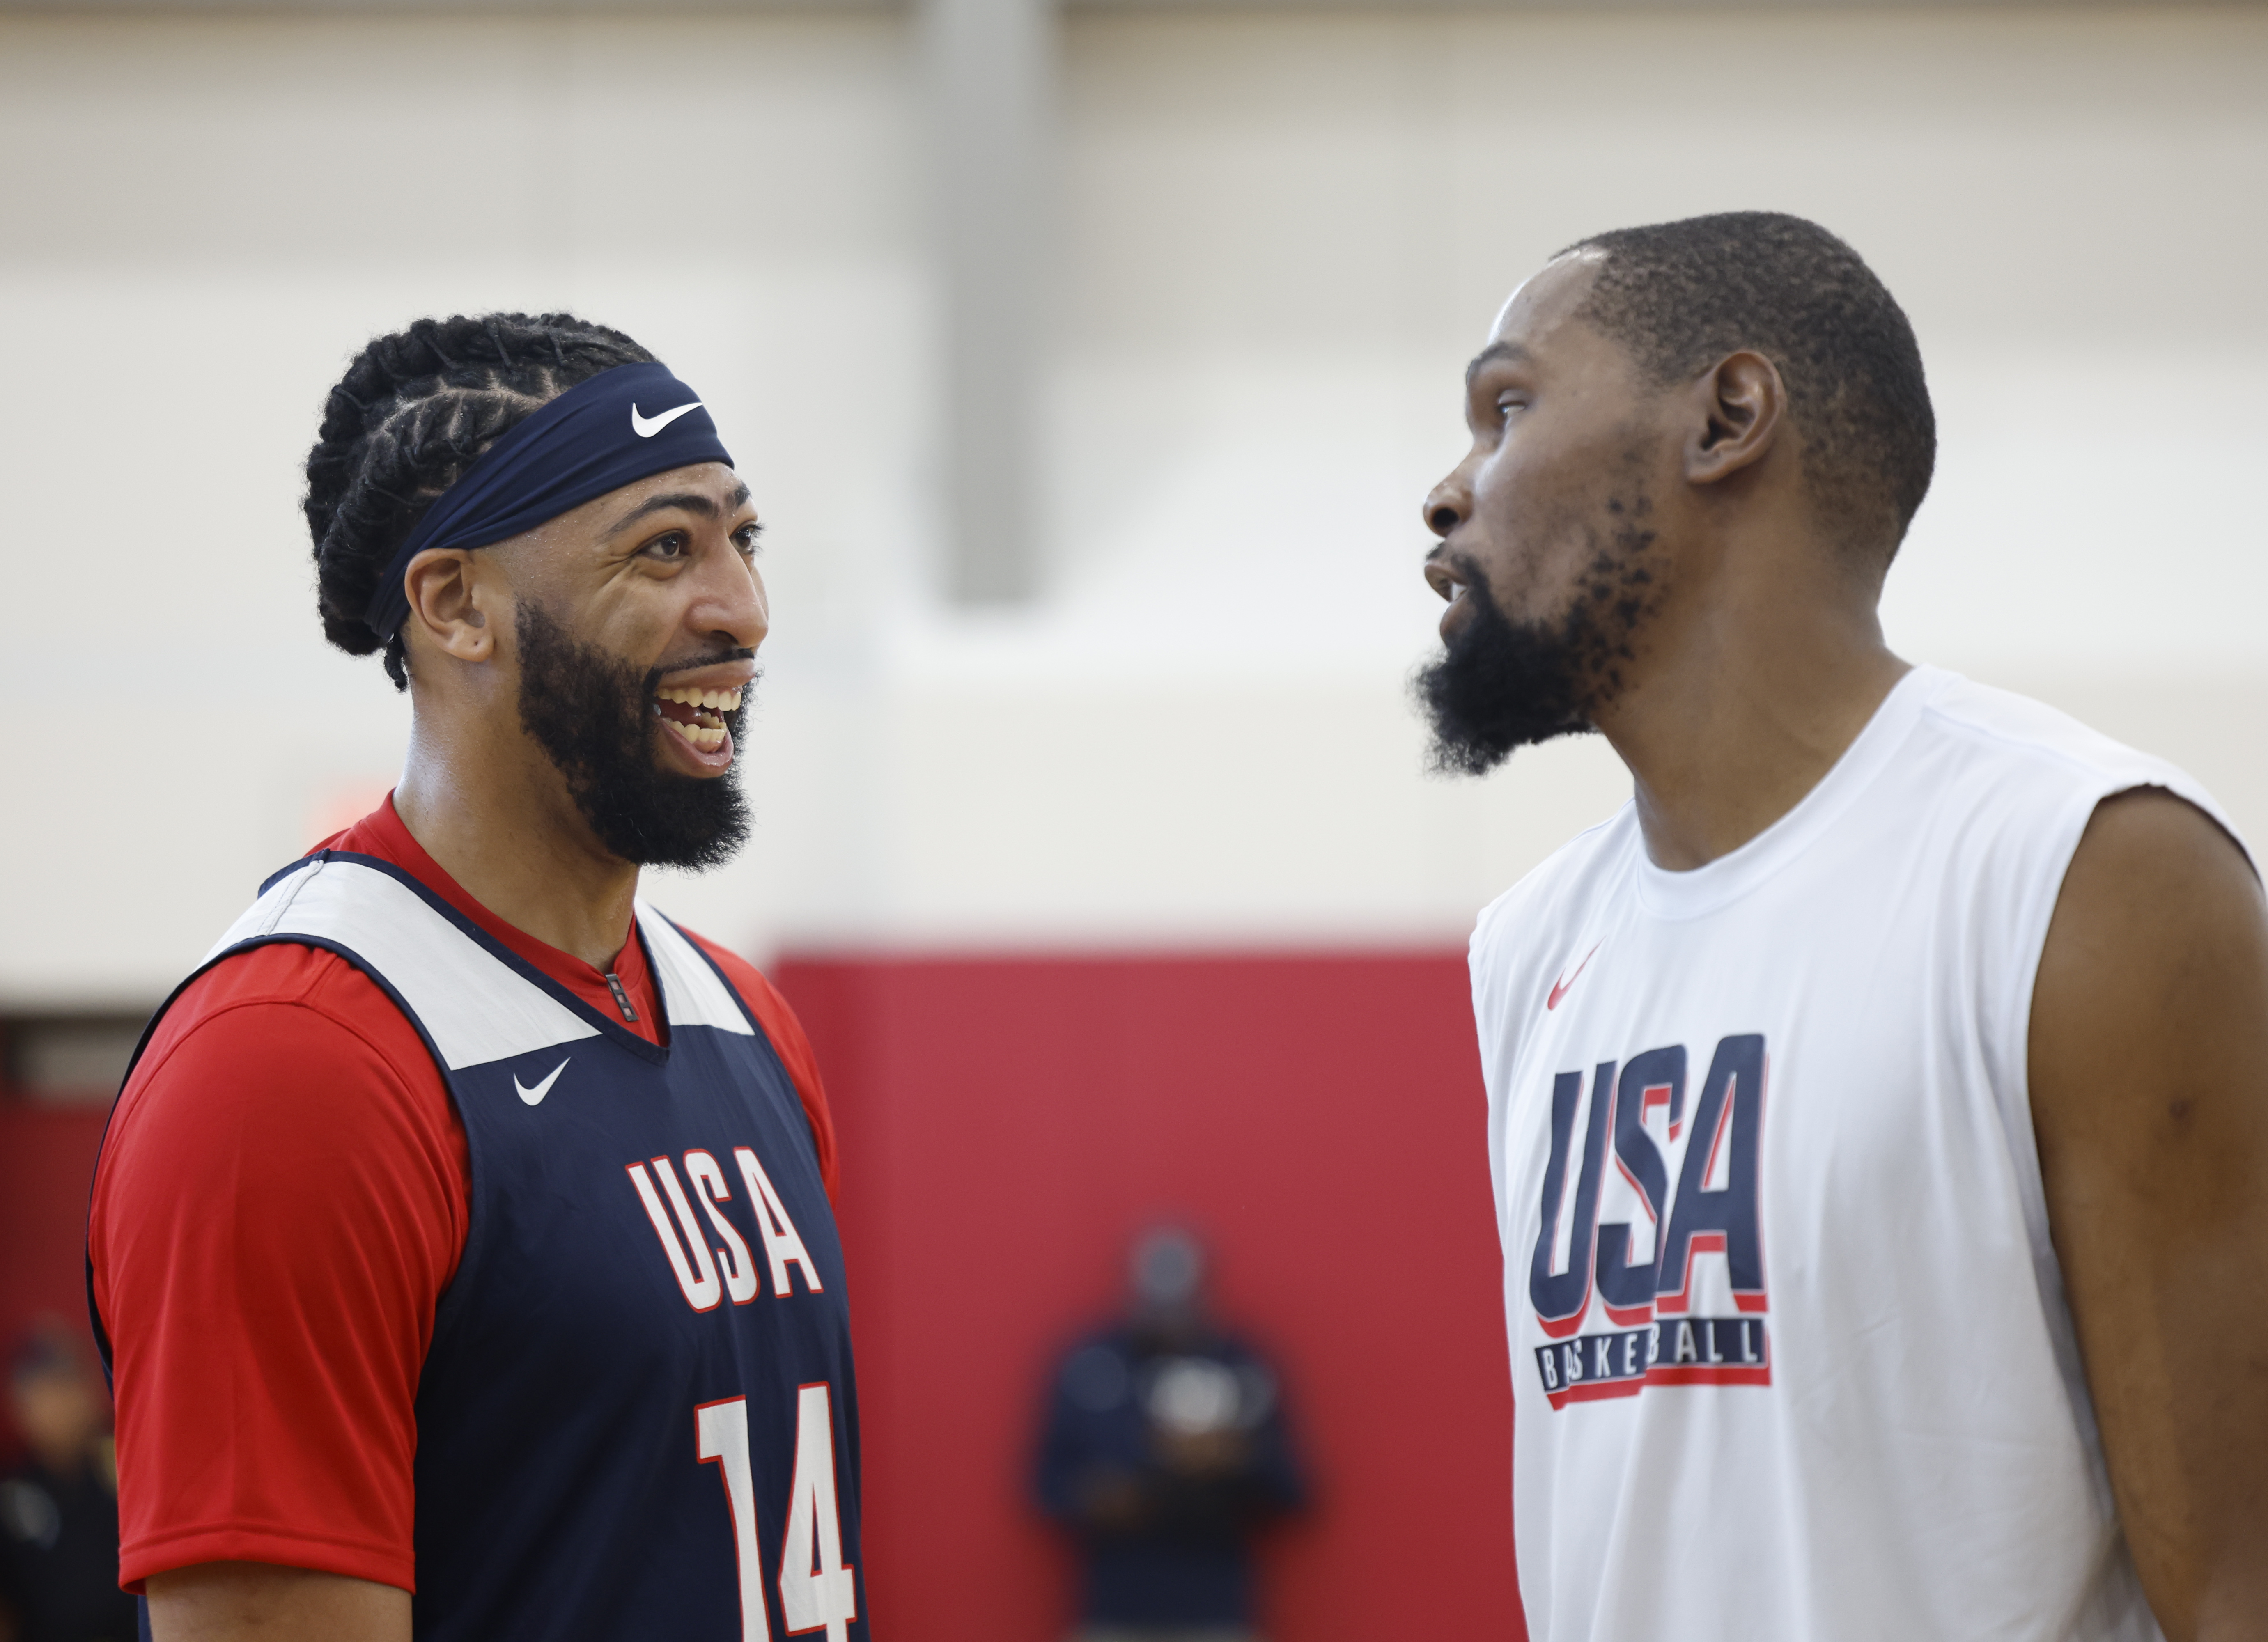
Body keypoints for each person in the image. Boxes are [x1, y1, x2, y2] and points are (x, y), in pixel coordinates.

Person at [1416, 214, 2268, 1640]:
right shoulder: (1531, 946)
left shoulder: (2085, 866)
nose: (1450, 494)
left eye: (1509, 409)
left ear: (1727, 418)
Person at [86, 315, 865, 1642]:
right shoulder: (292, 1068)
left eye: (744, 539)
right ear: (455, 607)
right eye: (665, 547)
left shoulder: (747, 1022)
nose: (742, 608)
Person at [1034, 1229, 1305, 1642]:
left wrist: (1232, 1459)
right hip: (1116, 1605)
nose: (1167, 1313)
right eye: (1155, 1296)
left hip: (1214, 1606)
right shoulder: (1090, 1363)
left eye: (1181, 1295)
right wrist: (1097, 1497)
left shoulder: (1239, 1364)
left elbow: (1293, 1489)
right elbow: (1042, 1483)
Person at [0, 1327, 138, 1642]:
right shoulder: (12, 1495)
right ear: (19, 1406)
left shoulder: (125, 1462)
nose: (56, 1407)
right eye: (40, 1394)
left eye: (64, 1387)